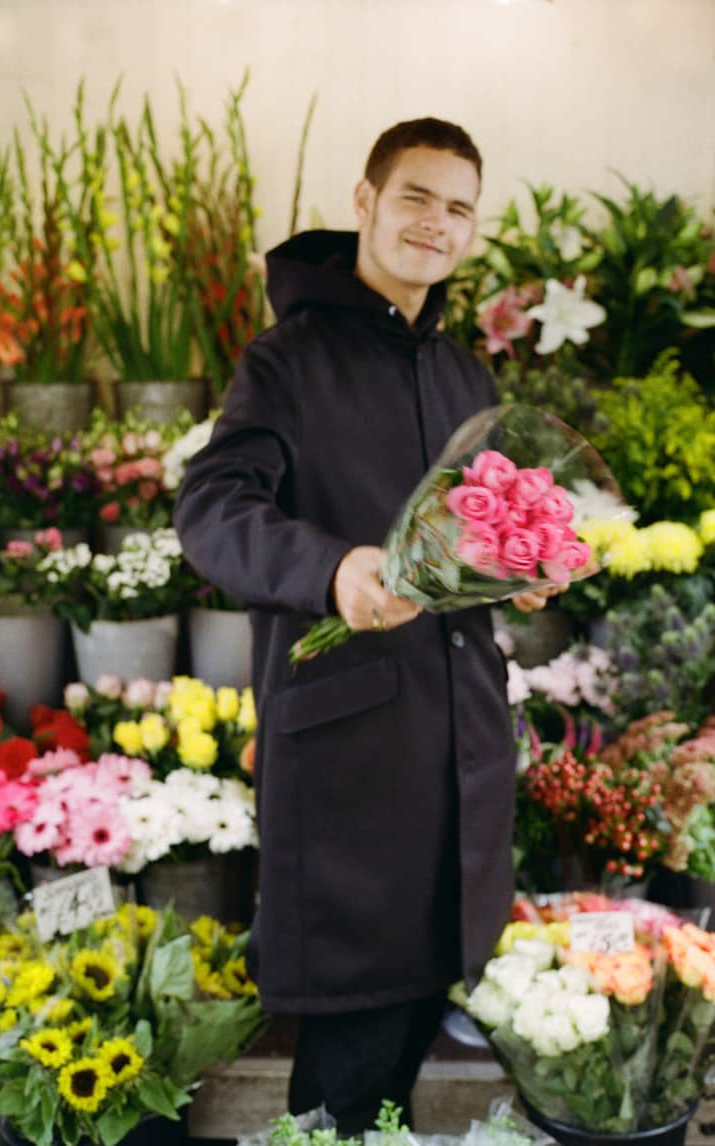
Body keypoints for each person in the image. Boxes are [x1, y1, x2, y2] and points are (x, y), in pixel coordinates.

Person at [174, 117, 555, 1132]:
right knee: (344, 1074)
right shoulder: (286, 359)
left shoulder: (462, 374)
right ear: (365, 202)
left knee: (416, 1040)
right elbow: (211, 510)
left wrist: (520, 566)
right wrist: (329, 567)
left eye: (458, 207)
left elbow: (466, 537)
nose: (436, 222)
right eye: (415, 197)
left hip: (459, 760)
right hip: (352, 770)